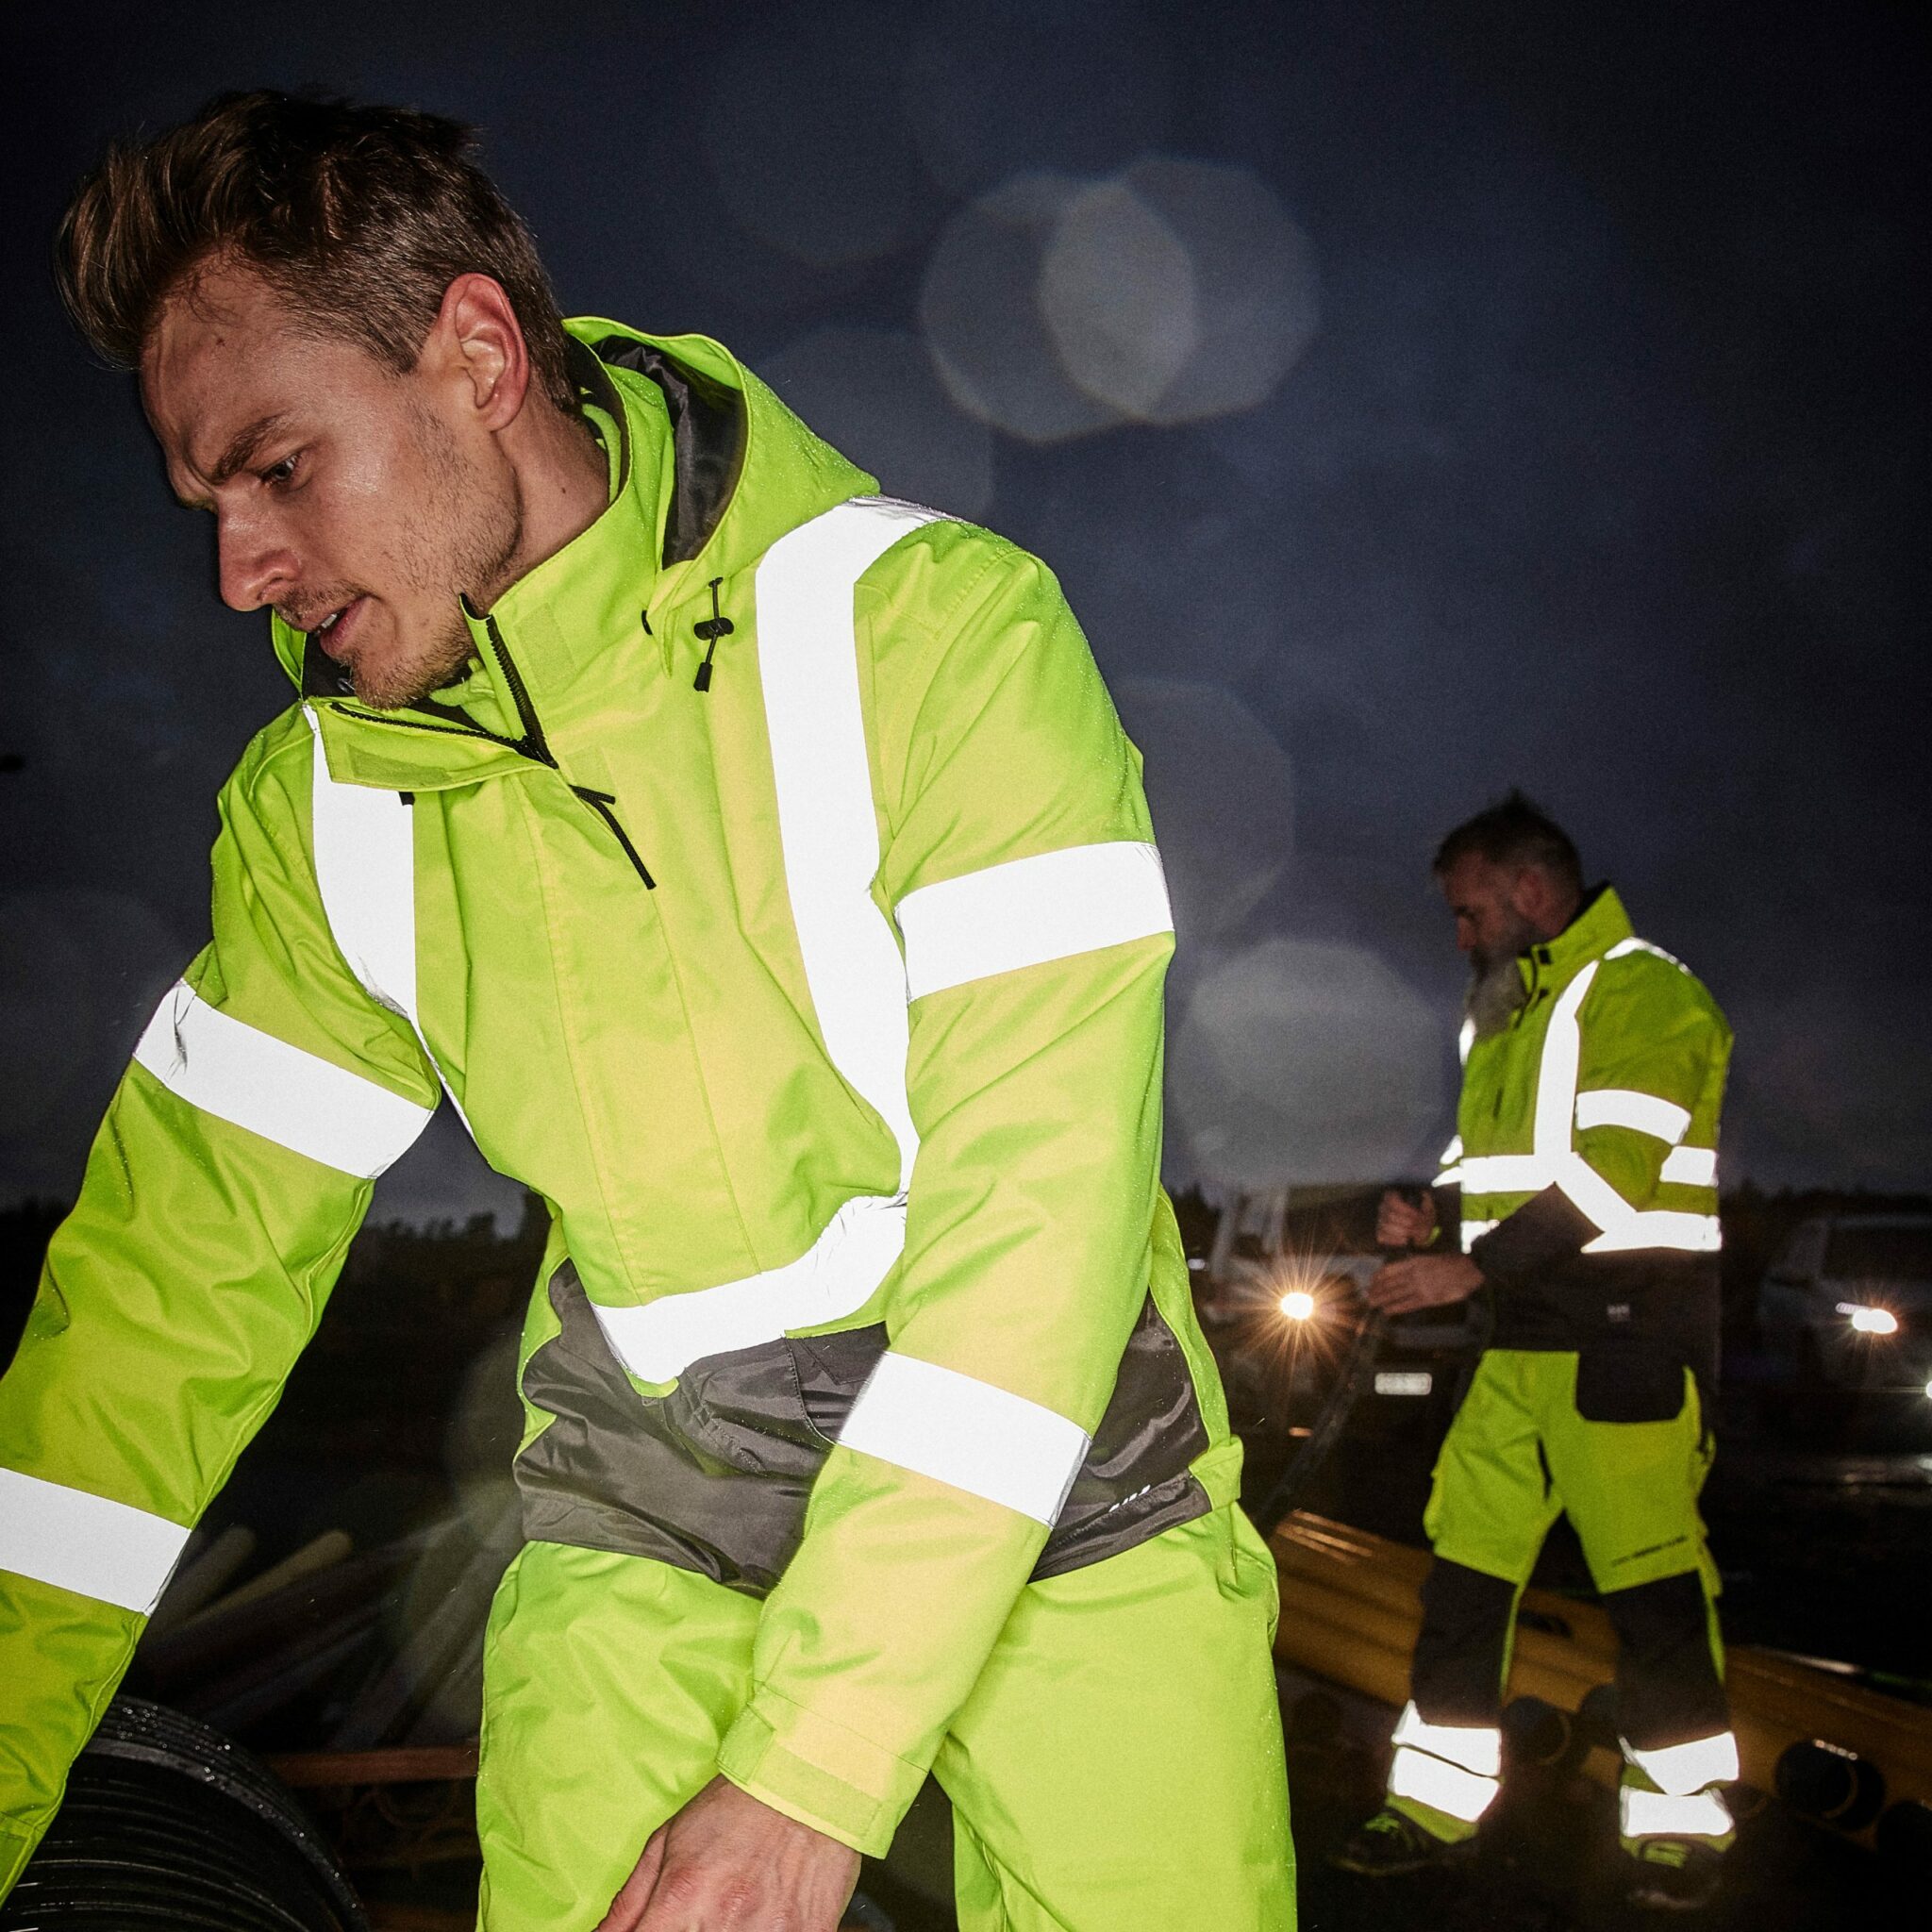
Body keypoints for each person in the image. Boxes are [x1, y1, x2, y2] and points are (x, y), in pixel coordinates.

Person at [0, 92, 1295, 1930]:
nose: (240, 572)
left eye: (276, 467)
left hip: (1064, 1479)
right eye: (206, 504)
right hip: (652, 1505)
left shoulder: (940, 640)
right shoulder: (324, 813)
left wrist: (806, 1767)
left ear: (472, 352)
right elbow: (145, 1327)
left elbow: (1039, 1225)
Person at [1337, 792, 1737, 1911]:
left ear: (1525, 888)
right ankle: (1429, 1805)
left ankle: (1678, 1828)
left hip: (1627, 1348)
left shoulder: (1646, 990)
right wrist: (1434, 1219)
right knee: (1463, 1578)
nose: (1458, 937)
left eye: (1467, 913)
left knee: (1653, 1589)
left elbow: (1613, 1168)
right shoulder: (1502, 1013)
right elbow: (1490, 1171)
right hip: (1519, 1347)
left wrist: (1474, 1267)